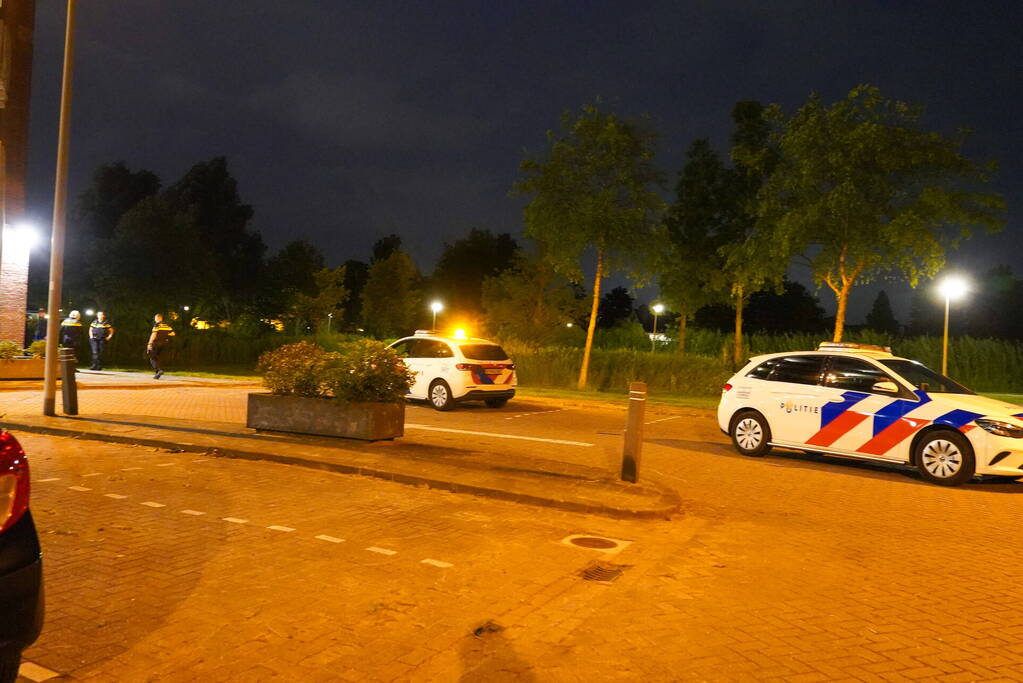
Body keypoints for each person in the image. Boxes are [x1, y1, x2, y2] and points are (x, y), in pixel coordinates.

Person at [146, 313, 175, 379]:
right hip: (164, 343)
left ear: (157, 318)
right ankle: (157, 374)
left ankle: (158, 370)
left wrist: (149, 343)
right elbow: (173, 334)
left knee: (152, 356)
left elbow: (154, 334)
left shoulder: (157, 325)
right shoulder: (167, 325)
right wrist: (165, 336)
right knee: (158, 358)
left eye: (155, 318)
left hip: (156, 343)